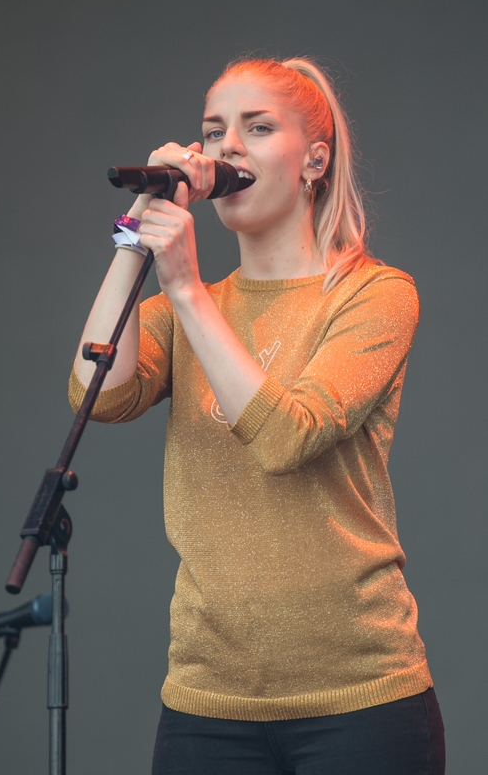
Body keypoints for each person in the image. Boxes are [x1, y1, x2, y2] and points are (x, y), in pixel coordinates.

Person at [69, 57, 445, 774]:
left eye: (256, 127)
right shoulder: (189, 307)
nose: (226, 147)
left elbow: (285, 436)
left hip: (360, 703)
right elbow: (96, 389)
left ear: (314, 160)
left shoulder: (373, 295)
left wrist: (185, 289)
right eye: (213, 131)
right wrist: (137, 227)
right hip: (207, 703)